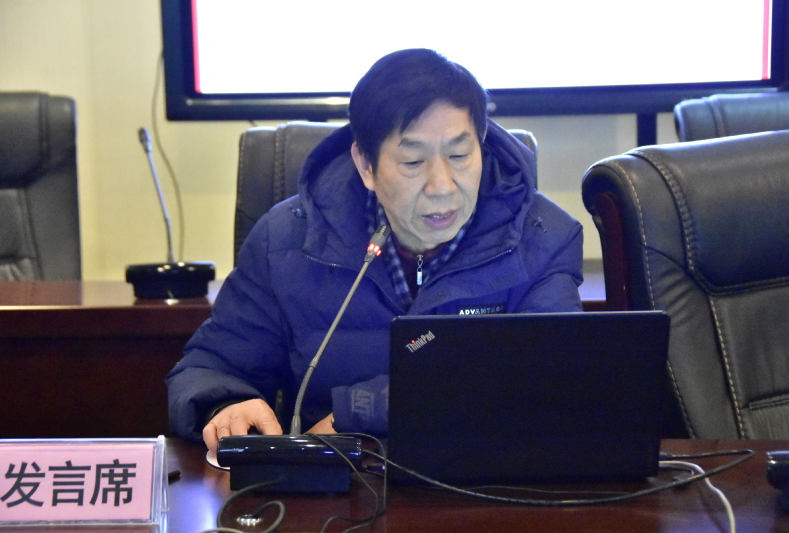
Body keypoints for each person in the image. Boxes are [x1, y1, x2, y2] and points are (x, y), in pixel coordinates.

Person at [166, 48, 584, 453]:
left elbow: (548, 384)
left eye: (459, 155)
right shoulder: (285, 240)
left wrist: (357, 412)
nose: (442, 186)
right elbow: (210, 367)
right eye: (413, 163)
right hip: (332, 484)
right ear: (366, 165)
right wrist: (226, 404)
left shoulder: (542, 239)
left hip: (481, 483)